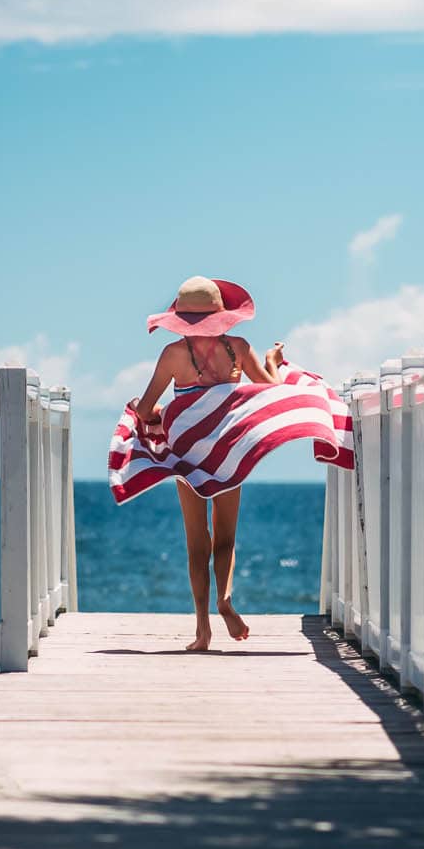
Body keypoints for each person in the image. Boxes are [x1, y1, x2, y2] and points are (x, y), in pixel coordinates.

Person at [133, 276, 286, 651]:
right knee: (227, 537)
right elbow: (272, 394)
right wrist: (271, 362)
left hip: (188, 457)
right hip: (226, 454)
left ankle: (202, 629)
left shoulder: (173, 354)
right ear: (221, 315)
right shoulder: (238, 348)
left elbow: (143, 409)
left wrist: (157, 411)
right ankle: (226, 598)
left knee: (196, 542)